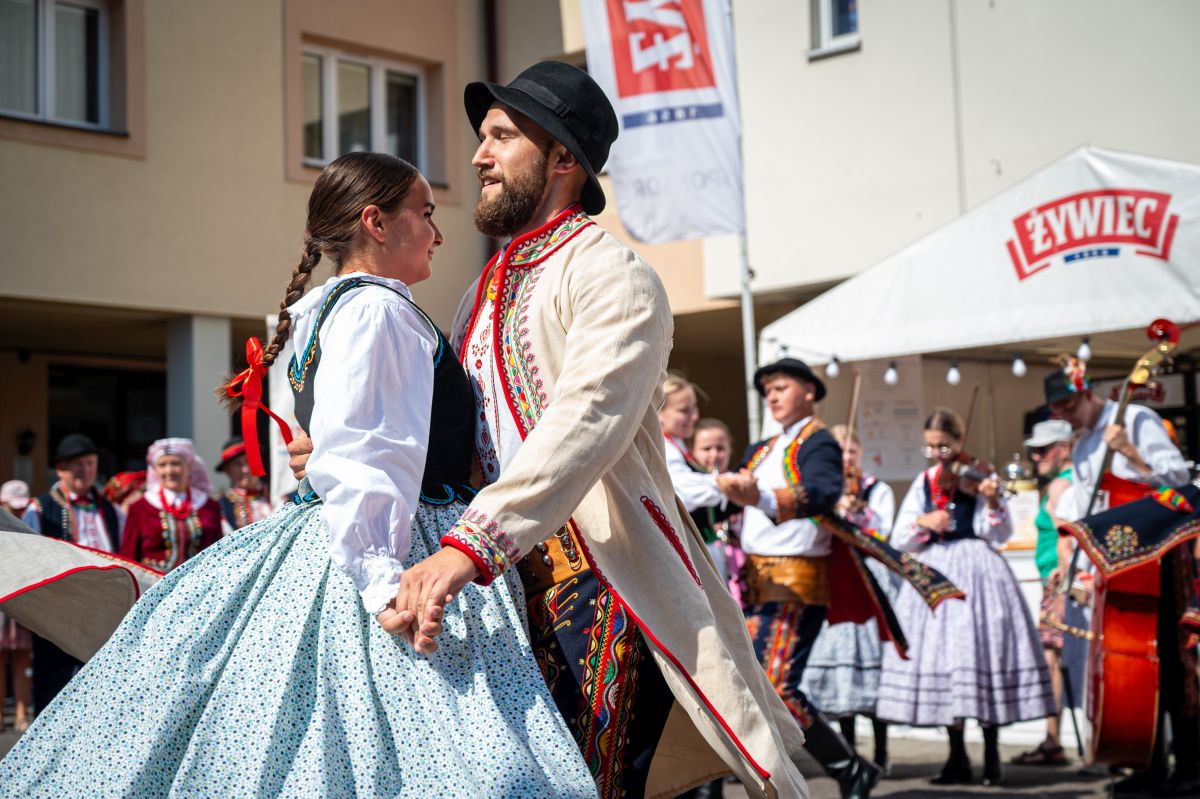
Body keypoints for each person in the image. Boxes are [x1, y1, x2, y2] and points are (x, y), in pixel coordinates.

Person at [0, 152, 596, 797]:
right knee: (446, 752)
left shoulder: (330, 309)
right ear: (377, 223)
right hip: (395, 546)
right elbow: (371, 455)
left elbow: (340, 444)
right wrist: (385, 586)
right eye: (425, 215)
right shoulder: (380, 310)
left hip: (333, 538)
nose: (438, 233)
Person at [359, 62, 811, 798]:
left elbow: (586, 420)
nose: (478, 157)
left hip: (597, 580)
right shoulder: (483, 289)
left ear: (563, 157)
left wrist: (469, 547)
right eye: (483, 138)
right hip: (501, 585)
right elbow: (463, 435)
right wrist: (358, 447)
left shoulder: (615, 275)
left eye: (501, 137)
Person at [876, 408, 1054, 787]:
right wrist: (924, 522)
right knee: (944, 659)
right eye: (931, 447)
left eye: (944, 446)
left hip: (978, 573)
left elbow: (1000, 534)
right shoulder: (925, 482)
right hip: (936, 575)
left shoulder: (981, 475)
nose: (938, 454)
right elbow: (899, 538)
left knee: (982, 655)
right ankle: (956, 756)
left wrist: (992, 502)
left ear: (959, 441)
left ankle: (991, 757)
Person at [1047, 358, 1195, 795]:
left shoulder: (1135, 419)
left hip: (1158, 553)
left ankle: (1191, 765)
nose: (1066, 415)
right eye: (1058, 410)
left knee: (1172, 659)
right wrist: (1073, 560)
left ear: (1087, 393)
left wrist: (1129, 450)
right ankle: (1147, 762)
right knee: (1136, 667)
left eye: (1069, 405)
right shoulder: (1082, 445)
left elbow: (1180, 478)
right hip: (1119, 561)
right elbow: (1088, 507)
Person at [799, 425, 897, 777]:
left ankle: (882, 749)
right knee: (842, 669)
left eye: (850, 451)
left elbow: (883, 531)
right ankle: (849, 748)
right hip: (835, 579)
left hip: (867, 580)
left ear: (859, 452)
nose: (845, 459)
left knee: (873, 663)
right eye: (837, 453)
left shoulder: (876, 489)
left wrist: (859, 513)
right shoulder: (824, 490)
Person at [20, 434, 123, 713]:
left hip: (103, 614)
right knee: (53, 689)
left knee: (100, 688)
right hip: (58, 614)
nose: (84, 470)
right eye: (77, 464)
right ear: (61, 469)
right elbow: (28, 557)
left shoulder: (111, 511)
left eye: (90, 463)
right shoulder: (41, 509)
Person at [1011, 419, 1074, 767]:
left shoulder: (1062, 486)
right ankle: (1053, 739)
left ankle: (1053, 740)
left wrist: (1062, 583)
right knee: (1055, 659)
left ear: (1064, 449)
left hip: (1058, 583)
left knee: (1053, 659)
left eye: (1043, 450)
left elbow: (1067, 538)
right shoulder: (1064, 482)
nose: (1036, 457)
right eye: (1033, 451)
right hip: (1057, 581)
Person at [659, 375, 738, 583]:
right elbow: (683, 492)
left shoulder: (676, 445)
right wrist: (728, 483)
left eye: (694, 408)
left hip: (700, 549)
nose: (694, 416)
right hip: (687, 554)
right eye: (684, 410)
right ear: (659, 411)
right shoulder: (664, 448)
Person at [117, 438, 223, 571]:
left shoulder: (208, 505)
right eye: (162, 465)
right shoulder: (140, 507)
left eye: (176, 463)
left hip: (200, 582)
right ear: (155, 469)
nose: (169, 471)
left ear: (189, 466)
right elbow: (128, 555)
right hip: (153, 582)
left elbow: (219, 551)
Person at [0, 481, 34, 734]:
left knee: (23, 655)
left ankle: (21, 713)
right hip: (3, 594)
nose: (19, 512)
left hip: (24, 594)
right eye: (14, 508)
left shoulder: (30, 523)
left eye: (22, 508)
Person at [214, 437, 274, 532]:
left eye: (249, 461)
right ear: (227, 470)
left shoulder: (277, 494)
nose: (245, 470)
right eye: (237, 464)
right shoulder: (221, 506)